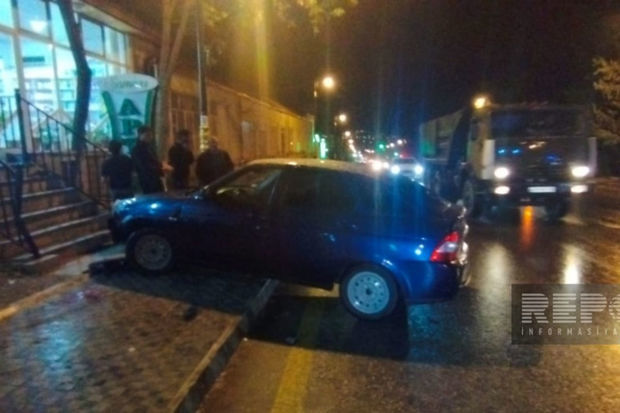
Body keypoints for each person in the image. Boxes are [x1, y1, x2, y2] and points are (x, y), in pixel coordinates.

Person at [131, 125, 164, 194]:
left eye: (151, 135)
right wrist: (157, 167)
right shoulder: (137, 149)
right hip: (147, 179)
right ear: (140, 135)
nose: (150, 137)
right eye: (147, 135)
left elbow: (154, 160)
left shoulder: (149, 147)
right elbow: (142, 165)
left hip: (155, 177)